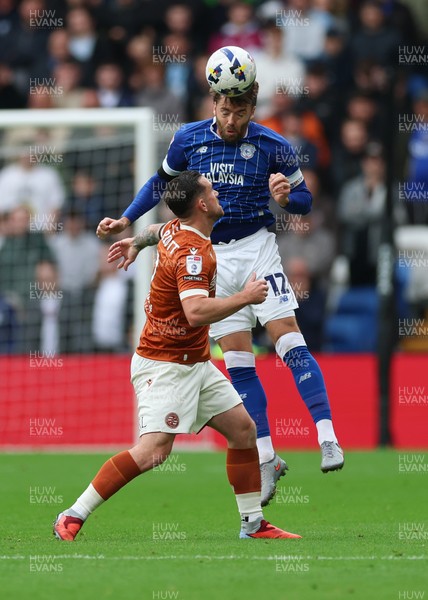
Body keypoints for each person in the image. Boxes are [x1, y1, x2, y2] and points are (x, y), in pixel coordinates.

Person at [96, 77, 344, 506]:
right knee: (238, 358)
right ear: (213, 103)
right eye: (225, 111)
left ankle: (327, 437)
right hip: (210, 256)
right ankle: (266, 457)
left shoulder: (274, 145)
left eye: (241, 112)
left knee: (287, 337)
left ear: (252, 107)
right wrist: (127, 220)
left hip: (257, 247)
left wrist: (287, 199)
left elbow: (305, 199)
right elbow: (160, 185)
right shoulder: (189, 138)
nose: (232, 120)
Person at [53, 171, 301, 541]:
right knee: (154, 451)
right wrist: (246, 297)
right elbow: (196, 312)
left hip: (195, 362)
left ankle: (253, 524)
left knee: (244, 430)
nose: (217, 192)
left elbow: (156, 230)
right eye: (211, 189)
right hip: (165, 366)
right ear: (201, 204)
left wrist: (136, 242)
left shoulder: (178, 229)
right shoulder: (194, 254)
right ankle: (72, 515)